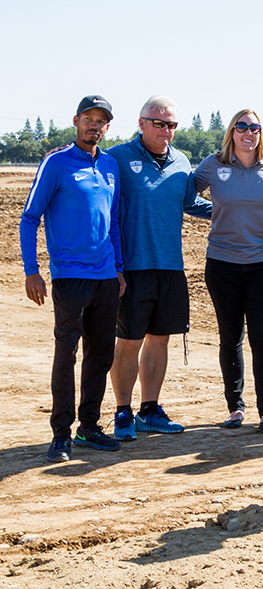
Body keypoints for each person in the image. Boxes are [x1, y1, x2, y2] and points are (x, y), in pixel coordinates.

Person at [21, 95, 125, 461]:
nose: (94, 125)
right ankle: (60, 434)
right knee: (66, 355)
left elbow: (112, 222)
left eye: (101, 121)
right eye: (89, 118)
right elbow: (29, 217)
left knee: (101, 355)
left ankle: (89, 428)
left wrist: (120, 269)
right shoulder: (57, 163)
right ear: (76, 120)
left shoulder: (110, 165)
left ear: (107, 127)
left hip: (106, 277)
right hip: (69, 277)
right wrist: (32, 271)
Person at [105, 96, 212, 441]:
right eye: (159, 123)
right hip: (132, 268)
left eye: (172, 125)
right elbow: (105, 209)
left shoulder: (182, 162)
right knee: (127, 342)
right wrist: (113, 264)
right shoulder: (118, 158)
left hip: (170, 266)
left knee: (159, 341)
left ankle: (149, 410)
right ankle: (123, 412)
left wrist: (238, 210)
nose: (166, 131)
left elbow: (190, 204)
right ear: (141, 123)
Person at [193, 110, 263, 433]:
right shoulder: (213, 165)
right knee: (230, 337)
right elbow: (186, 193)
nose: (248, 132)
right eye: (241, 127)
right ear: (232, 132)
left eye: (254, 127)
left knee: (262, 337)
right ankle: (235, 408)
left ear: (260, 133)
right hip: (222, 264)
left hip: (262, 264)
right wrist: (213, 211)